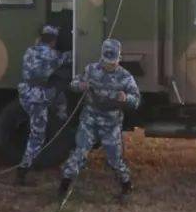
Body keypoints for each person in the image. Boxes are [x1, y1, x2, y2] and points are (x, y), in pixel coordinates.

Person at [59, 39, 141, 198]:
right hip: (90, 119)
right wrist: (80, 86)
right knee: (79, 153)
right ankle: (63, 187)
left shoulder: (125, 77)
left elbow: (136, 101)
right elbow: (74, 83)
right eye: (105, 61)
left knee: (114, 159)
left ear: (118, 59)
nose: (108, 65)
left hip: (111, 123)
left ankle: (126, 185)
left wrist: (126, 99)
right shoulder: (91, 70)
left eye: (112, 62)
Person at [15, 24, 71, 186]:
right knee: (37, 136)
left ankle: (61, 116)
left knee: (58, 96)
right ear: (53, 41)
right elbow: (68, 57)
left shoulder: (29, 51)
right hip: (38, 97)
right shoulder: (53, 55)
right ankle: (23, 171)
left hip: (25, 93)